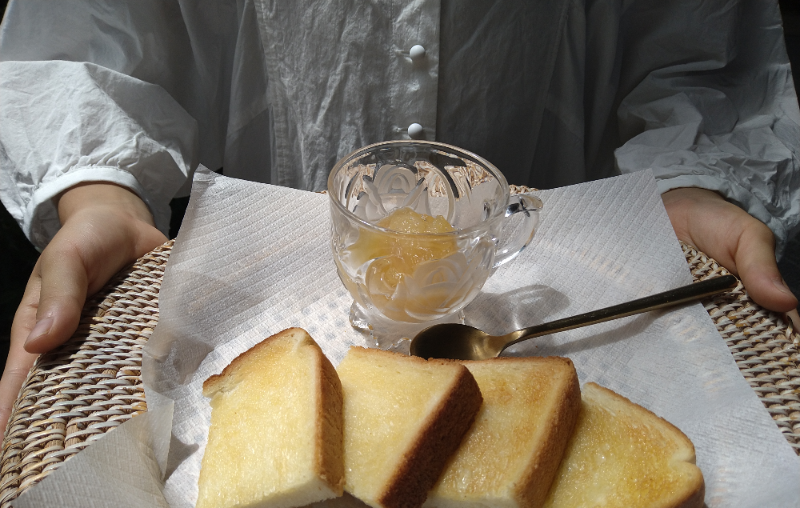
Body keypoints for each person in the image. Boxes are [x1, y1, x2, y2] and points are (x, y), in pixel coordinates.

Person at [1, 0, 799, 442]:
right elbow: (90, 28)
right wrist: (99, 192)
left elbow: (695, 39)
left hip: (583, 285)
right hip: (253, 291)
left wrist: (695, 176)